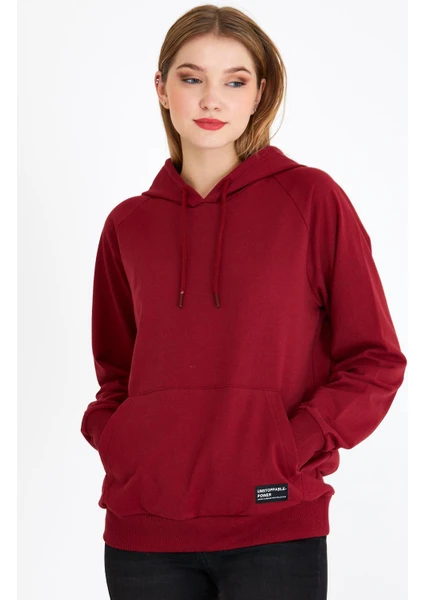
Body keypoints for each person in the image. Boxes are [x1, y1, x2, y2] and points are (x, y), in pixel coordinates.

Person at [80, 4, 407, 599]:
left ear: (259, 95)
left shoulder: (311, 200)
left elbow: (375, 360)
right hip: (143, 533)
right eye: (192, 78)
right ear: (162, 88)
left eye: (234, 82)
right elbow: (117, 374)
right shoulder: (127, 225)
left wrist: (289, 446)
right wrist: (123, 440)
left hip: (274, 523)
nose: (212, 99)